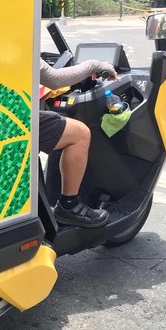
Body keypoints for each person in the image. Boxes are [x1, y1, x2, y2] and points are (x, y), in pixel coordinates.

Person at [40, 58, 117, 228]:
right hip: (9, 121)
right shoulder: (15, 43)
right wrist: (95, 65)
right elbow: (53, 79)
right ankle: (69, 205)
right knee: (80, 133)